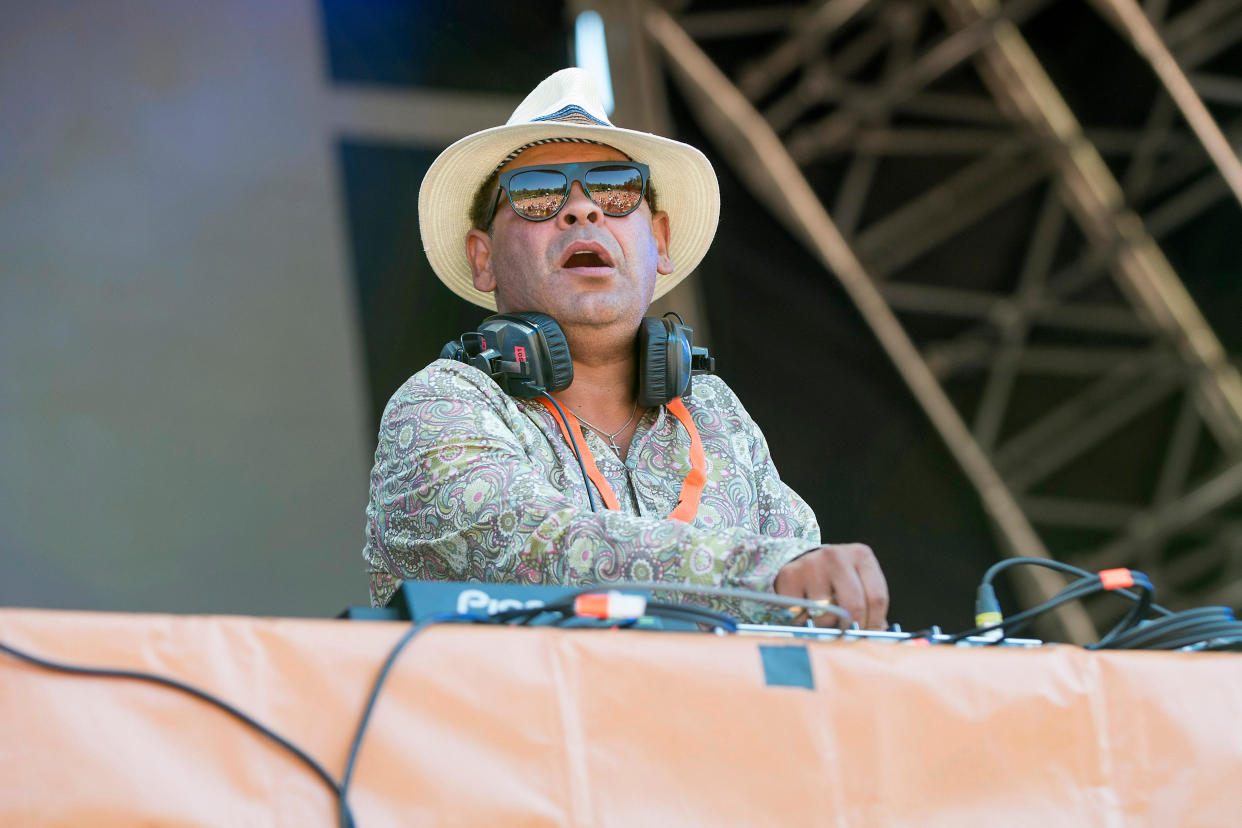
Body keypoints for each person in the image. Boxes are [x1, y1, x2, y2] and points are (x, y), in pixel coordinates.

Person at [363, 68, 889, 628]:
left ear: (658, 241)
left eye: (616, 190)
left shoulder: (715, 415)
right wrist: (765, 571)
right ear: (483, 258)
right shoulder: (438, 405)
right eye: (538, 194)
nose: (583, 211)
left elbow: (811, 591)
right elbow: (542, 550)